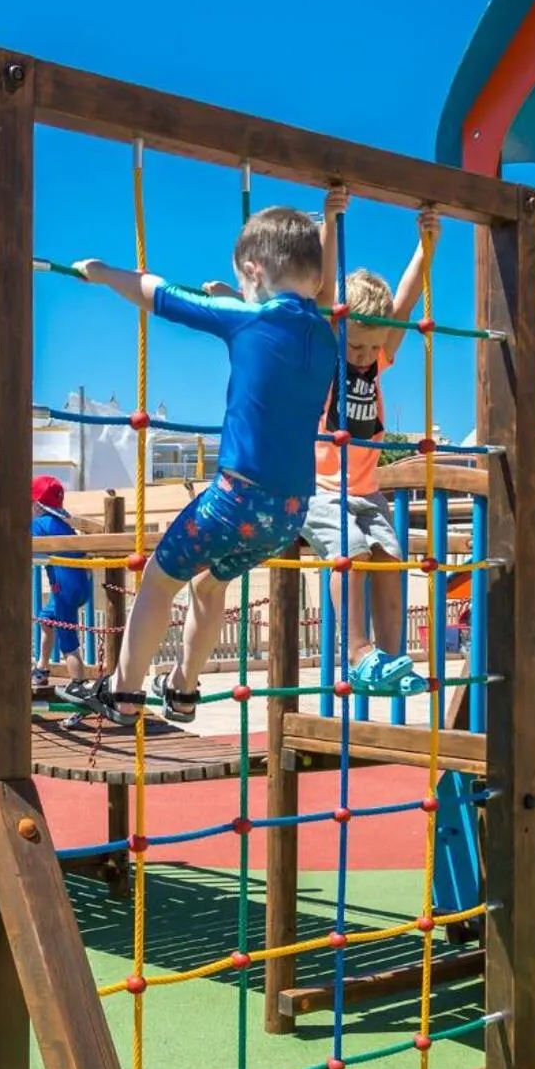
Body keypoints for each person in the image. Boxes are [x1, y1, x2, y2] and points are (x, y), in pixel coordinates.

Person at [60, 204, 336, 725]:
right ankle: (182, 690)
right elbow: (299, 311)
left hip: (235, 499)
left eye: (243, 283)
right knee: (209, 585)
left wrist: (104, 274)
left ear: (254, 270)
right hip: (289, 514)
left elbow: (160, 294)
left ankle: (124, 690)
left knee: (161, 579)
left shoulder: (247, 318)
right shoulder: (325, 336)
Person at [305, 188, 438, 695]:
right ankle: (358, 654)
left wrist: (426, 247)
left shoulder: (379, 354)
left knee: (390, 554)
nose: (362, 355)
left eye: (370, 346)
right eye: (355, 343)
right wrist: (333, 223)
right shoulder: (323, 354)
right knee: (351, 551)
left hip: (366, 488)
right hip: (317, 487)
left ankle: (392, 656)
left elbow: (404, 304)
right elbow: (322, 295)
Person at [30, 475, 90, 693]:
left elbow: (27, 549)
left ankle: (79, 688)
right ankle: (41, 668)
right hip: (80, 586)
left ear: (37, 505)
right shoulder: (64, 526)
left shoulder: (38, 524)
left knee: (68, 643)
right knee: (46, 620)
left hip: (64, 592)